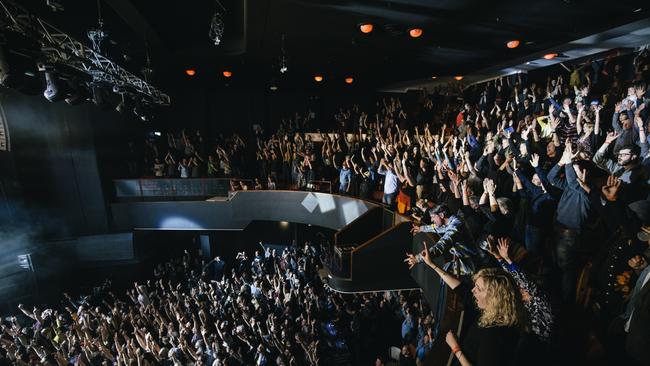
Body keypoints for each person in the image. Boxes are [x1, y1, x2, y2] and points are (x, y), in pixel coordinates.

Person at [408, 241, 527, 366]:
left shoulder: (493, 335)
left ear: (494, 298)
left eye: (478, 289)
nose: (473, 290)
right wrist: (432, 264)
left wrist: (456, 349)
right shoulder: (492, 309)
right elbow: (460, 289)